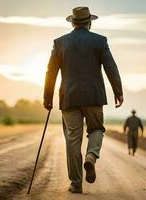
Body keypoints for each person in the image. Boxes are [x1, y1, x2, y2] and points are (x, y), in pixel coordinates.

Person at [43, 7, 124, 193]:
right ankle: (91, 157)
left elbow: (51, 72)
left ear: (72, 23)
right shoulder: (100, 41)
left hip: (69, 98)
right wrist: (118, 92)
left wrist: (47, 98)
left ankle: (76, 183)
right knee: (96, 129)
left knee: (73, 139)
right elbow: (111, 67)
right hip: (94, 96)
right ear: (89, 22)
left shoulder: (60, 43)